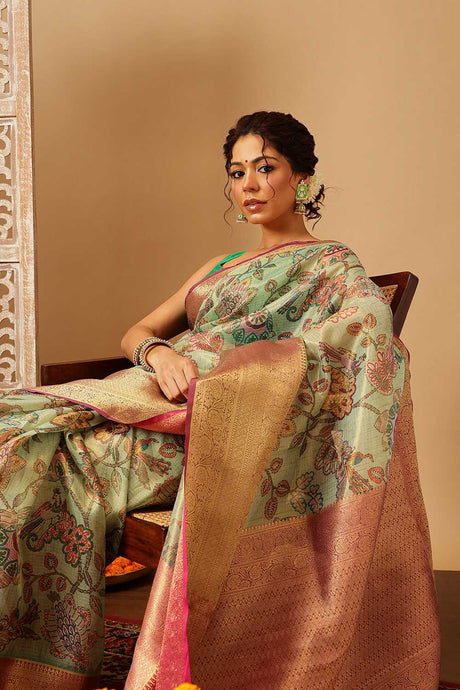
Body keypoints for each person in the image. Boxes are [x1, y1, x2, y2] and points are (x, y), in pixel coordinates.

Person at [0, 111, 440, 690]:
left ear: (302, 178)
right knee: (15, 435)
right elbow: (136, 332)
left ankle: (36, 670)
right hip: (146, 395)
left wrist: (229, 378)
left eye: (266, 168)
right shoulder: (220, 266)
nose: (249, 185)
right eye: (237, 172)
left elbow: (366, 334)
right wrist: (161, 354)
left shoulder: (333, 265)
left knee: (42, 458)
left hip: (214, 430)